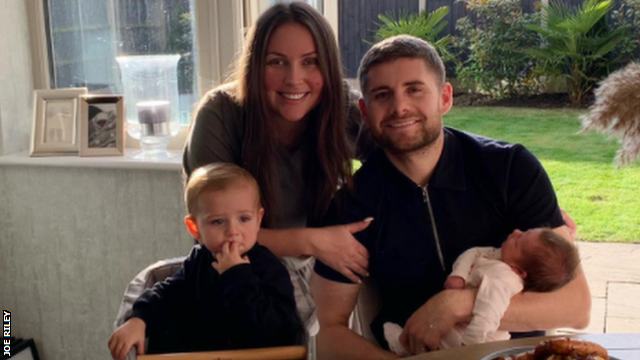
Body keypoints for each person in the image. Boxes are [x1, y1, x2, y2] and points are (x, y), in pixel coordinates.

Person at [312, 35, 591, 360]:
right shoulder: (352, 204)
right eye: (382, 95)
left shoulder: (510, 168)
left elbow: (576, 305)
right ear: (365, 109)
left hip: (518, 354)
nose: (399, 106)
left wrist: (458, 304)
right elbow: (329, 331)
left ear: (445, 97)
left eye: (414, 89)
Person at [183, 2, 375, 325]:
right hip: (237, 273)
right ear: (255, 66)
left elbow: (397, 159)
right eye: (277, 62)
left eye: (310, 62)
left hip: (321, 268)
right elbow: (214, 234)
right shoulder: (219, 115)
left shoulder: (340, 103)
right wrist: (314, 240)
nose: (294, 79)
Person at [107, 163, 303, 360]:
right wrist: (139, 319)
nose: (233, 231)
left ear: (258, 220)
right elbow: (168, 294)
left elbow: (278, 329)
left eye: (244, 219)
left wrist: (237, 276)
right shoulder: (198, 261)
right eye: (218, 221)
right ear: (195, 228)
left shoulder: (270, 269)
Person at [384, 228, 581, 355]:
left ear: (520, 271)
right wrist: (459, 275)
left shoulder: (503, 280)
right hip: (462, 327)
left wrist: (471, 348)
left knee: (443, 344)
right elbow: (474, 252)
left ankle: (402, 348)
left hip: (479, 339)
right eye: (524, 232)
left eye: (518, 241)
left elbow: (488, 315)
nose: (515, 232)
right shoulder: (500, 257)